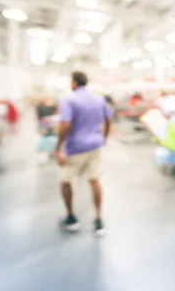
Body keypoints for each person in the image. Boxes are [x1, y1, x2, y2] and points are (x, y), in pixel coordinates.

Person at [54, 72, 112, 236]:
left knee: (66, 180)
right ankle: (99, 219)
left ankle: (71, 218)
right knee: (95, 180)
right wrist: (104, 138)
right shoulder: (99, 99)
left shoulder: (69, 100)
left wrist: (58, 147)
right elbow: (108, 121)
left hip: (75, 148)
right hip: (96, 146)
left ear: (73, 83)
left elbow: (65, 125)